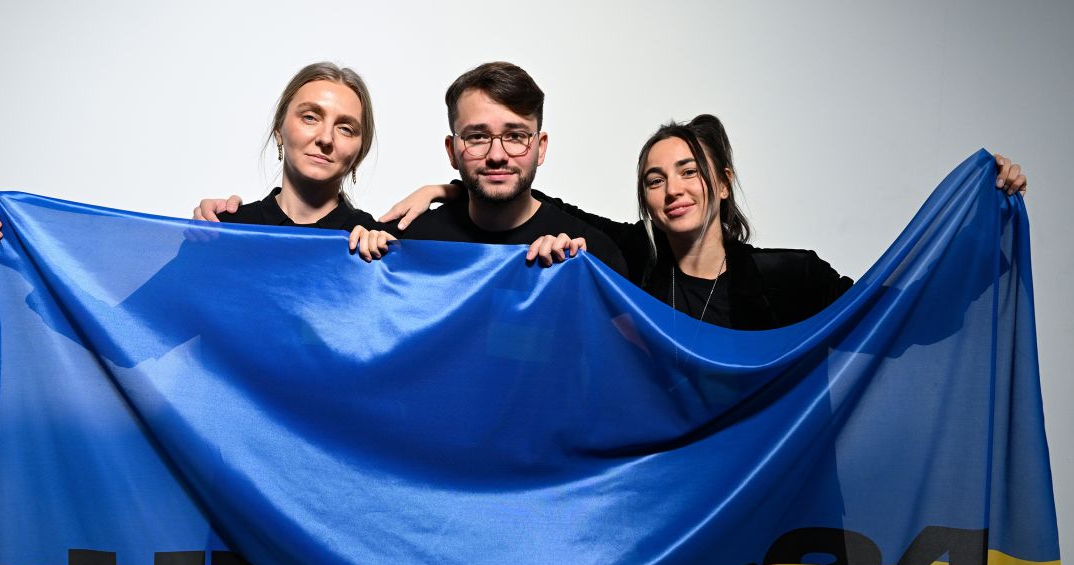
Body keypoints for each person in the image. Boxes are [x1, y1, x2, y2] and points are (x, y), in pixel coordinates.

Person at [384, 114, 1027, 329]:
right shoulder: (629, 262)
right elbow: (535, 204)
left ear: (720, 182)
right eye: (654, 179)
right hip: (671, 508)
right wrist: (447, 187)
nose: (673, 189)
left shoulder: (789, 277)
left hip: (771, 505)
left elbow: (890, 315)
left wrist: (983, 222)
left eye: (689, 171)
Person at [191, 62, 628, 277]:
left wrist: (581, 274)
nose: (497, 154)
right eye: (477, 136)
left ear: (540, 146)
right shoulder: (402, 241)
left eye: (515, 136)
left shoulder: (591, 252)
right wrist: (197, 244)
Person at [0, 61, 395, 258]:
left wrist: (443, 191)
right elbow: (132, 325)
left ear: (358, 152)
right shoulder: (221, 231)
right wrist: (14, 247)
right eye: (310, 117)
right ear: (279, 130)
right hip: (233, 437)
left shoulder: (378, 242)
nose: (325, 138)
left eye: (346, 128)